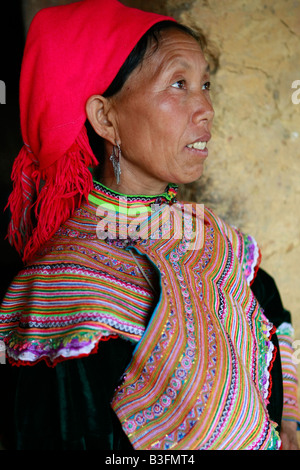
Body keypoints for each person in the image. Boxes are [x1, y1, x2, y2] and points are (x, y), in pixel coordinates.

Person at [0, 0, 299, 451]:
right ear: (105, 117)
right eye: (178, 85)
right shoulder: (64, 292)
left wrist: (291, 429)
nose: (206, 109)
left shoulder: (219, 244)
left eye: (205, 84)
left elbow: (275, 328)